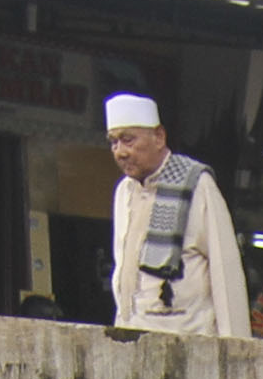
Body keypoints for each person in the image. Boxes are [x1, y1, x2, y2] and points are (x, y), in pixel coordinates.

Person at [103, 92, 248, 340]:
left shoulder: (196, 184)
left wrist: (237, 348)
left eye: (128, 140)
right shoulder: (124, 191)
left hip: (189, 341)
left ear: (159, 137)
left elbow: (226, 274)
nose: (120, 152)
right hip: (132, 338)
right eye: (114, 142)